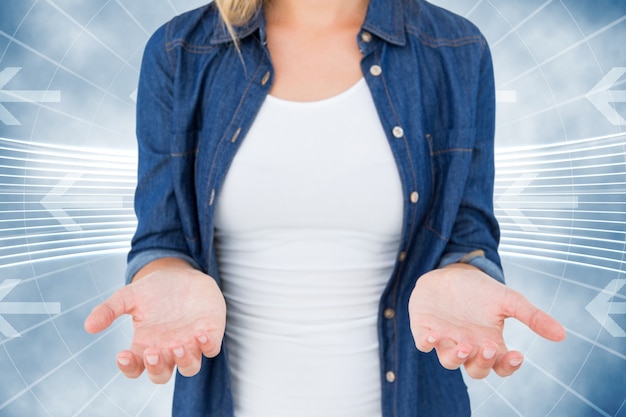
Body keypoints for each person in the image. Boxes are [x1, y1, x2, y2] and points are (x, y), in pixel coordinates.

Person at [84, 0, 566, 416]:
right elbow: (162, 235)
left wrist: (468, 275)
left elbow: (467, 230)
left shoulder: (456, 51)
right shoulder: (179, 52)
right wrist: (164, 276)